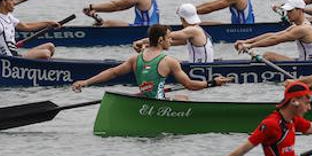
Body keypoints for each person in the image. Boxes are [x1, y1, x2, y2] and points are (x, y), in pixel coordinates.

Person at [72, 24, 228, 98]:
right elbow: (190, 85)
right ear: (161, 40)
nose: (171, 41)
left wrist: (86, 82)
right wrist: (212, 83)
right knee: (183, 98)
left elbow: (112, 73)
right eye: (169, 38)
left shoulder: (135, 58)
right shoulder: (169, 61)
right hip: (158, 105)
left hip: (143, 100)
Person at [235, 0, 312, 61]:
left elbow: (276, 40)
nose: (287, 14)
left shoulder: (303, 29)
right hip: (304, 62)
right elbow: (274, 35)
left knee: (268, 56)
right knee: (267, 55)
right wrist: (247, 41)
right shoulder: (296, 26)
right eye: (287, 11)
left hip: (310, 66)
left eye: (290, 11)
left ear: (300, 10)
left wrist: (250, 46)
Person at [136, 4, 214, 63]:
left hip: (199, 66)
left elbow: (163, 35)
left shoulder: (192, 31)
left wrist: (142, 41)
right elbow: (169, 42)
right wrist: (150, 44)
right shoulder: (198, 30)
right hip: (199, 64)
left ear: (182, 19)